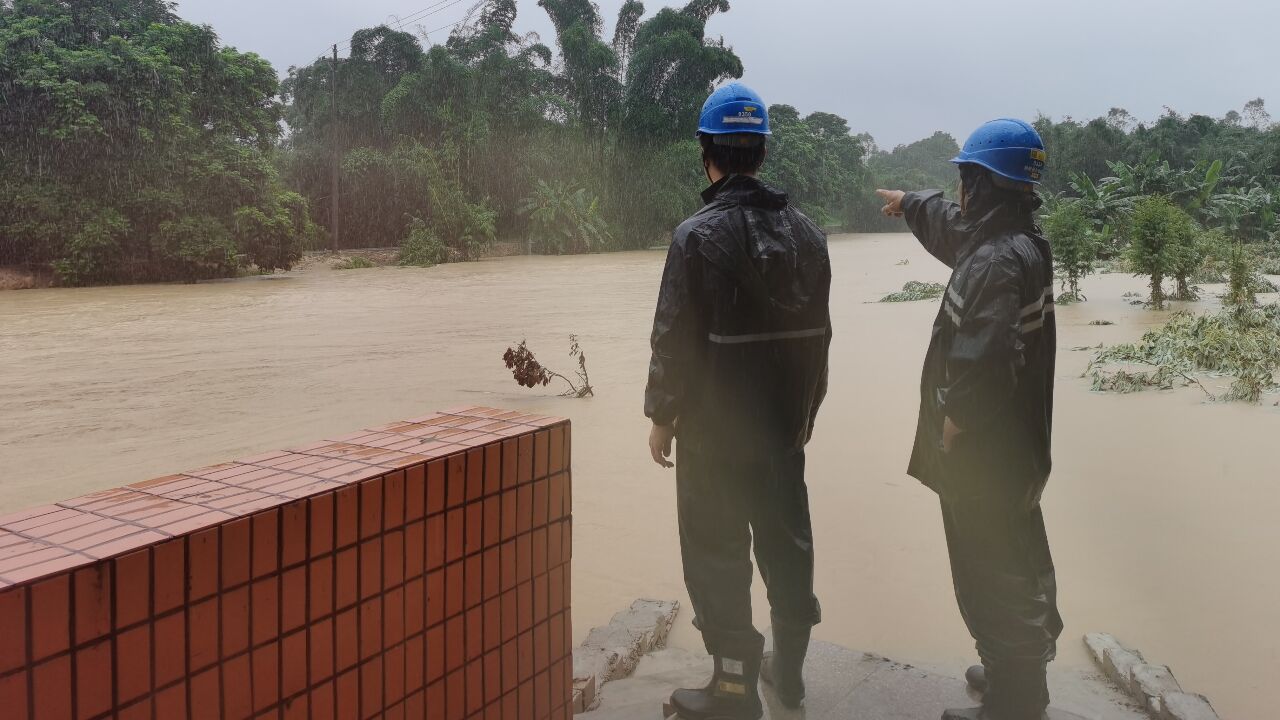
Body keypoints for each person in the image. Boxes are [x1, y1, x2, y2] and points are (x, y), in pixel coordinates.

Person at [876, 118, 1078, 720]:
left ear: (986, 186)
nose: (960, 195)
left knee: (990, 574)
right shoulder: (1018, 244)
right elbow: (955, 231)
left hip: (984, 457)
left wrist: (953, 423)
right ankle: (1008, 668)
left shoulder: (994, 262)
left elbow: (986, 359)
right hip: (1017, 450)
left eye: (965, 181)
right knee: (1015, 559)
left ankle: (1015, 700)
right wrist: (912, 203)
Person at [644, 81, 832, 720]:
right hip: (784, 434)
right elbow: (819, 343)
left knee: (716, 552)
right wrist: (804, 418)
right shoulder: (809, 236)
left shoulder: (697, 236)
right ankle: (792, 677)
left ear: (708, 151)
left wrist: (662, 418)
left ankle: (731, 690)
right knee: (788, 546)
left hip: (715, 436)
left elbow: (674, 337)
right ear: (761, 152)